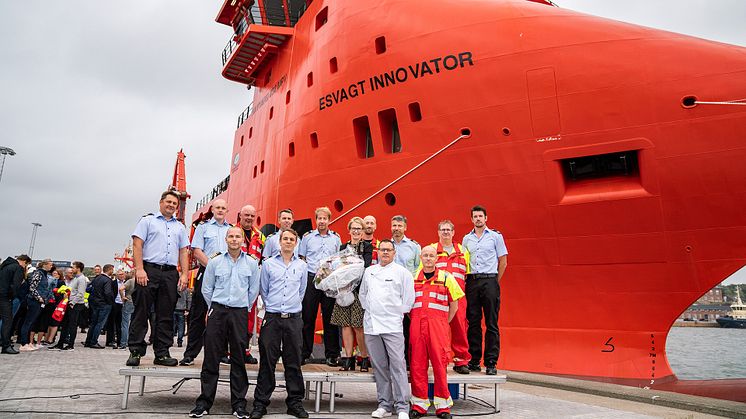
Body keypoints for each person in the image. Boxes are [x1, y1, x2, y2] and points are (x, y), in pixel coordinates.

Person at [190, 226, 260, 419]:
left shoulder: (252, 264)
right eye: (231, 236)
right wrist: (213, 308)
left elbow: (253, 290)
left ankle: (238, 404)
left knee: (238, 358)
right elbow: (207, 289)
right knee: (211, 356)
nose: (235, 239)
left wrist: (243, 308)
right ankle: (204, 403)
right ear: (226, 240)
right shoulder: (214, 262)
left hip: (239, 312)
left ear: (242, 241)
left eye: (238, 236)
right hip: (218, 311)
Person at [250, 229, 309, 419]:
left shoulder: (302, 266)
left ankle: (295, 402)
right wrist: (274, 308)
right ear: (279, 242)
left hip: (293, 318)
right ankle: (260, 404)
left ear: (296, 243)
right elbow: (264, 291)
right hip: (273, 317)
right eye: (285, 239)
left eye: (292, 239)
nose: (288, 242)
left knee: (293, 361)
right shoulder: (267, 265)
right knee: (267, 361)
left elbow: (302, 291)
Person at [127, 190, 190, 367]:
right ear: (161, 202)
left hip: (170, 273)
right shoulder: (147, 221)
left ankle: (162, 353)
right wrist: (139, 269)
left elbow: (183, 251)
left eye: (174, 204)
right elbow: (137, 244)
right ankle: (135, 351)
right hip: (149, 270)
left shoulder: (180, 227)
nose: (171, 205)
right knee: (142, 311)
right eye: (168, 202)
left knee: (166, 314)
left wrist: (184, 274)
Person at [359, 239, 415, 419]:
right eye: (382, 250)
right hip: (372, 325)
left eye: (388, 250)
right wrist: (372, 311)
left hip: (392, 326)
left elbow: (408, 300)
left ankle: (402, 406)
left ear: (394, 253)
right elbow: (363, 295)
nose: (385, 253)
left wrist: (393, 312)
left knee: (398, 365)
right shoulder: (369, 272)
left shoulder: (403, 273)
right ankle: (384, 404)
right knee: (379, 366)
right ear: (378, 252)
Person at [409, 246, 464, 419]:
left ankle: (443, 406)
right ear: (420, 257)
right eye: (425, 255)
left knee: (440, 365)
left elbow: (454, 305)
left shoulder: (447, 278)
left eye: (431, 255)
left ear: (436, 258)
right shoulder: (412, 278)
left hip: (438, 327)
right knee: (417, 365)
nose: (428, 258)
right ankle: (419, 404)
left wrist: (442, 322)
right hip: (417, 326)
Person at [181, 199, 231, 366]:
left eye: (223, 208)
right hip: (207, 272)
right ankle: (190, 354)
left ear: (227, 210)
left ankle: (222, 353)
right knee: (198, 313)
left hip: (226, 276)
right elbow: (196, 250)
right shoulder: (203, 227)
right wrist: (212, 267)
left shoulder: (231, 230)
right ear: (212, 209)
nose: (220, 210)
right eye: (218, 207)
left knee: (224, 313)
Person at [462, 205, 508, 375]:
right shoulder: (467, 239)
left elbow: (503, 260)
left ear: (486, 218)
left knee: (491, 322)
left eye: (481, 216)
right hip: (472, 281)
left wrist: (495, 281)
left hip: (490, 280)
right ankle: (474, 360)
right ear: (471, 219)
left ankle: (491, 362)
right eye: (475, 216)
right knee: (473, 322)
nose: (478, 219)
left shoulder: (495, 237)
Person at [298, 207, 341, 366]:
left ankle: (332, 354)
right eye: (319, 218)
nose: (322, 221)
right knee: (308, 317)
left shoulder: (336, 238)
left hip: (328, 279)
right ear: (316, 220)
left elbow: (338, 259)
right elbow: (302, 258)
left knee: (330, 318)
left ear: (329, 220)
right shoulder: (307, 237)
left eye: (325, 218)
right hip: (311, 278)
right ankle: (304, 352)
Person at [330, 217, 372, 371]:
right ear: (349, 230)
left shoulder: (367, 247)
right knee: (345, 325)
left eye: (358, 229)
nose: (356, 231)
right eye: (353, 228)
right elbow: (339, 265)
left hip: (359, 289)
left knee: (358, 325)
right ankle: (348, 358)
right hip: (344, 289)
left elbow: (365, 266)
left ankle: (364, 357)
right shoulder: (343, 246)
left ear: (362, 231)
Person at [431, 220, 472, 374]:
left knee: (460, 327)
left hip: (458, 296)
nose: (446, 232)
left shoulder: (463, 251)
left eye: (448, 230)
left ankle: (461, 360)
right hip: (438, 295)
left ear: (453, 232)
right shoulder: (433, 250)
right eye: (443, 230)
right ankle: (441, 358)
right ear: (438, 232)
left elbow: (468, 274)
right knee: (438, 328)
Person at [390, 215, 420, 367]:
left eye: (399, 226)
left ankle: (407, 360)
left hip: (407, 291)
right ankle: (393, 360)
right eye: (394, 225)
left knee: (408, 327)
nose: (397, 228)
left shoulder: (414, 247)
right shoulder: (386, 246)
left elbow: (418, 268)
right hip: (390, 291)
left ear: (405, 228)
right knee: (391, 326)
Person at [239, 204, 265, 364]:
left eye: (252, 216)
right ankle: (228, 350)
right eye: (246, 215)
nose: (249, 218)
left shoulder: (260, 236)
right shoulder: (233, 232)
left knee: (249, 318)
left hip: (252, 283)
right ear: (240, 216)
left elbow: (263, 259)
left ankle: (245, 350)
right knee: (233, 317)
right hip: (234, 282)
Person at [19, 259, 53, 351]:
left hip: (40, 302)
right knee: (28, 322)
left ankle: (28, 343)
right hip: (34, 301)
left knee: (32, 322)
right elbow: (32, 287)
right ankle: (23, 343)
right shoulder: (38, 273)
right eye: (50, 264)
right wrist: (39, 298)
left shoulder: (44, 274)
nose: (51, 266)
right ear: (44, 265)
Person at [53, 261, 87, 351]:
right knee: (65, 325)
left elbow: (81, 293)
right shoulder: (75, 278)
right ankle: (60, 343)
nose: (72, 269)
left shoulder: (81, 279)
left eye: (73, 267)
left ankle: (71, 345)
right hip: (69, 302)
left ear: (78, 268)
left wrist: (73, 302)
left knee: (72, 325)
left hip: (75, 305)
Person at [0, 254, 31, 354]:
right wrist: (12, 296)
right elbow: (16, 286)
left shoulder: (4, 266)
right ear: (24, 262)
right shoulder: (18, 268)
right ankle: (6, 346)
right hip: (5, 298)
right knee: (7, 321)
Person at [86, 264, 116, 349]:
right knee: (100, 323)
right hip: (104, 304)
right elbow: (107, 292)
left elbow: (90, 289)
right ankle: (94, 341)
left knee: (93, 323)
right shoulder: (107, 280)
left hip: (95, 303)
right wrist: (111, 302)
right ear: (109, 270)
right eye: (112, 270)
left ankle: (88, 341)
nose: (112, 272)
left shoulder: (97, 278)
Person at [106, 270, 127, 348]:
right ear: (117, 275)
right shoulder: (113, 283)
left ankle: (120, 341)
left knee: (120, 324)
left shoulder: (126, 283)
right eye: (120, 274)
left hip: (123, 304)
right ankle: (110, 341)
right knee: (111, 323)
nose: (121, 276)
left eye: (122, 274)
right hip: (115, 304)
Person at [119, 272, 135, 349]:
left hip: (129, 301)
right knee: (134, 323)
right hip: (138, 303)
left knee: (125, 323)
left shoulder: (131, 281)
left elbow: (121, 288)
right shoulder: (142, 281)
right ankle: (133, 341)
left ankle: (124, 343)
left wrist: (123, 297)